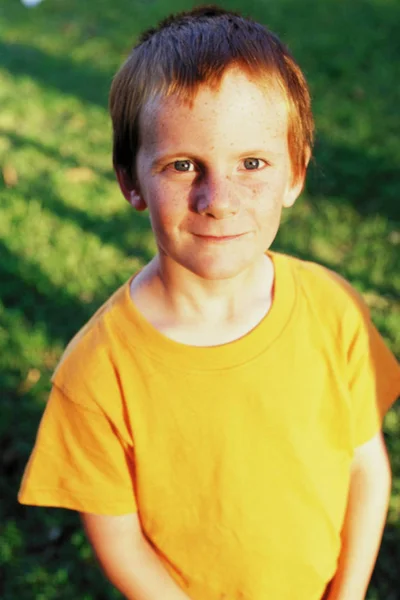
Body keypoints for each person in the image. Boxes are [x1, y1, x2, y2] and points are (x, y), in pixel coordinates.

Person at [18, 6, 399, 600]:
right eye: (182, 165)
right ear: (131, 181)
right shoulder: (98, 370)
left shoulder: (335, 310)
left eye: (252, 163)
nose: (217, 199)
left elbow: (365, 466)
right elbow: (118, 538)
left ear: (295, 173)